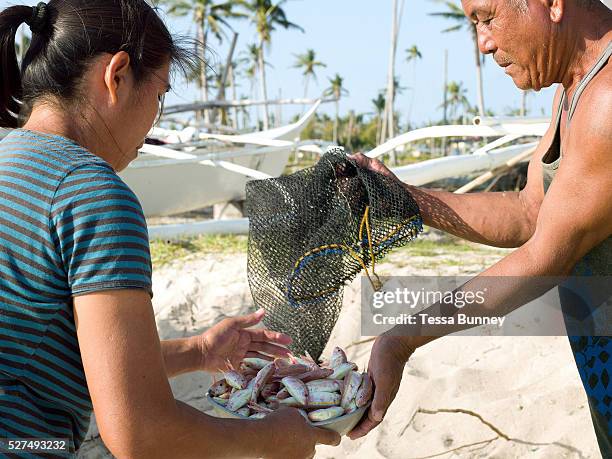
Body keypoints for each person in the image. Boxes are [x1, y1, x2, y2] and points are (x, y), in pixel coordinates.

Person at [0, 1, 340, 457]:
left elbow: (63, 354)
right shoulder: (91, 195)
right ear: (116, 74)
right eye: (159, 96)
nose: (155, 122)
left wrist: (200, 350)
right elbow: (141, 434)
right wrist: (273, 438)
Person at [348, 0, 612, 456]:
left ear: (552, 4)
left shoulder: (608, 99)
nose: (484, 44)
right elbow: (531, 211)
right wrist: (405, 198)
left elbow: (544, 258)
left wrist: (401, 340)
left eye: (487, 18)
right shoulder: (573, 88)